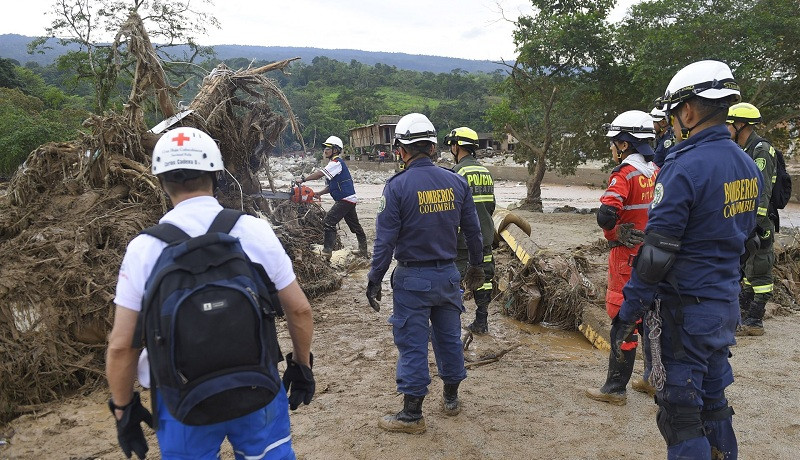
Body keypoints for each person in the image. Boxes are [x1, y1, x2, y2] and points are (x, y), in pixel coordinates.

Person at [106, 127, 314, 459]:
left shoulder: (143, 249)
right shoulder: (253, 230)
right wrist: (301, 367)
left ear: (161, 181)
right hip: (257, 387)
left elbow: (121, 346)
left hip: (180, 402)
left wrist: (123, 408)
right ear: (216, 175)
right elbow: (299, 310)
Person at [612, 60, 761, 460]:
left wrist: (628, 311)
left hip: (684, 310)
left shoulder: (683, 167)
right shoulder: (747, 165)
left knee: (679, 414)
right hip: (723, 304)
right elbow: (746, 236)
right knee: (714, 401)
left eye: (675, 115)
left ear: (689, 111)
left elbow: (658, 252)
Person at [366, 113, 485, 434]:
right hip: (448, 276)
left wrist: (374, 278)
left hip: (412, 280)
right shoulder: (456, 181)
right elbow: (474, 233)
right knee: (448, 337)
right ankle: (450, 399)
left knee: (413, 343)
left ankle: (412, 415)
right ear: (433, 147)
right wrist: (476, 266)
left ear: (401, 150)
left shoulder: (397, 187)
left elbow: (385, 242)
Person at [586, 110, 658, 405]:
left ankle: (614, 389)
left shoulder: (624, 174)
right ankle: (653, 378)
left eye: (614, 142)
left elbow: (606, 214)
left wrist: (613, 231)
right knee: (651, 319)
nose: (612, 148)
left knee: (623, 318)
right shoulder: (656, 171)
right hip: (654, 256)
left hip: (626, 256)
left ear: (625, 144)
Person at [726, 102, 777, 336]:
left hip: (760, 221)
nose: (725, 128)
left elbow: (762, 190)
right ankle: (744, 313)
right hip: (745, 220)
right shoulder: (742, 149)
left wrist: (756, 223)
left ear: (740, 124)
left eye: (728, 123)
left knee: (761, 266)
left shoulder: (761, 150)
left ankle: (755, 319)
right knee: (747, 266)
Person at [444, 126, 496, 334]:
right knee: (485, 278)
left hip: (463, 239)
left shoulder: (457, 173)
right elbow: (491, 206)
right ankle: (481, 321)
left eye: (451, 146)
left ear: (457, 147)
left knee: (455, 279)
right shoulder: (485, 172)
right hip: (486, 236)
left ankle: (451, 324)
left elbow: (451, 209)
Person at [297, 135, 368, 259]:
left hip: (345, 199)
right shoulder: (333, 164)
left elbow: (319, 174)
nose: (325, 150)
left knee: (328, 222)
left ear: (335, 150)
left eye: (328, 148)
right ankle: (363, 250)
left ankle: (327, 250)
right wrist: (320, 193)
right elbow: (331, 187)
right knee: (355, 226)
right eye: (324, 148)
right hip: (348, 198)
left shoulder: (336, 163)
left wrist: (303, 179)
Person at [651, 102, 676, 168]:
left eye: (653, 122)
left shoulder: (669, 142)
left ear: (663, 123)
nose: (651, 125)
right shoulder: (660, 139)